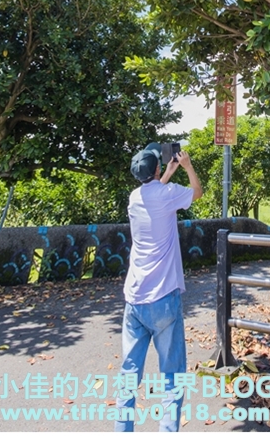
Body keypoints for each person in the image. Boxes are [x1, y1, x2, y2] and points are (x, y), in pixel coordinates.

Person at [115, 143, 203, 432]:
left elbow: (153, 193)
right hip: (164, 297)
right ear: (155, 169)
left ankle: (123, 428)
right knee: (172, 375)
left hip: (135, 298)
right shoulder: (167, 195)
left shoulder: (134, 198)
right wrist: (186, 166)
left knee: (129, 372)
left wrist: (165, 173)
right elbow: (197, 194)